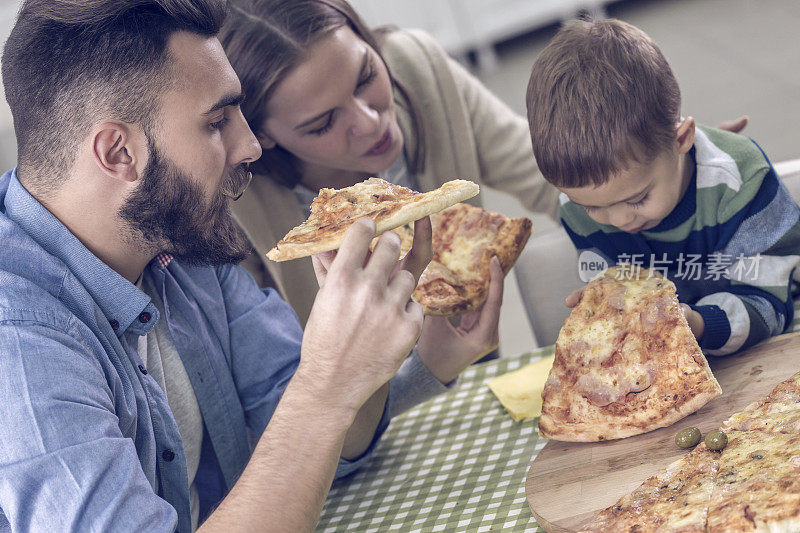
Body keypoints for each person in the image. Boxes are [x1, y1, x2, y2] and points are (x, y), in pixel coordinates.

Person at [0, 1, 503, 531]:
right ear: (118, 152)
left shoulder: (180, 242)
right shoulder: (19, 338)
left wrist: (369, 362)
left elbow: (315, 443)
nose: (251, 145)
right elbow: (311, 412)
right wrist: (327, 383)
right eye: (217, 122)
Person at [218, 0, 750, 329]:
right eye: (322, 124)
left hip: (465, 360)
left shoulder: (415, 64)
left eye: (364, 78)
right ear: (258, 136)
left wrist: (663, 172)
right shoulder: (231, 201)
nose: (371, 121)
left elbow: (542, 174)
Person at [526, 18, 800, 356]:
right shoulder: (578, 205)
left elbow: (771, 303)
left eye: (638, 199)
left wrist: (695, 323)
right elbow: (625, 288)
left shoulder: (740, 183)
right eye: (593, 207)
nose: (618, 220)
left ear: (682, 139)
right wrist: (609, 304)